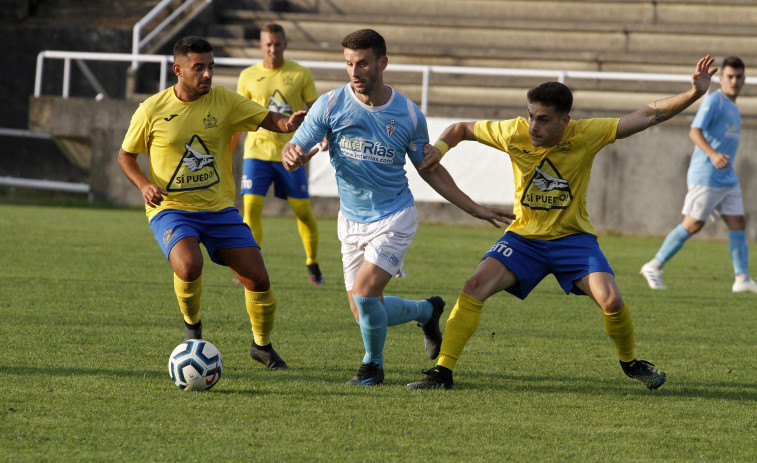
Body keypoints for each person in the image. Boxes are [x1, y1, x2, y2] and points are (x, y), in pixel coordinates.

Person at [406, 55, 718, 391]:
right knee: (473, 287)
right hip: (524, 238)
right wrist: (440, 148)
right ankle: (442, 373)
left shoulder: (587, 134)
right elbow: (461, 129)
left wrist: (693, 94)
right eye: (530, 116)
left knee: (611, 301)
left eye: (543, 119)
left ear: (564, 121)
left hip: (573, 239)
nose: (532, 126)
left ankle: (630, 363)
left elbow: (646, 115)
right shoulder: (514, 133)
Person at [282, 29, 513, 386]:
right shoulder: (329, 105)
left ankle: (372, 366)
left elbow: (430, 170)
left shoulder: (407, 114)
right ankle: (426, 310)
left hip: (394, 217)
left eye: (362, 63)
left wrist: (475, 209)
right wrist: (292, 155)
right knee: (363, 312)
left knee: (364, 295)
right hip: (351, 220)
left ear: (382, 63)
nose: (354, 72)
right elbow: (295, 148)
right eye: (348, 64)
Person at [118, 36, 306, 371]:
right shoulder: (152, 109)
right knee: (189, 266)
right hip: (171, 207)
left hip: (218, 209)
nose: (207, 74)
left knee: (259, 279)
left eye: (211, 67)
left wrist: (288, 124)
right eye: (198, 68)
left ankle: (262, 346)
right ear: (178, 70)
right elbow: (126, 155)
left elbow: (268, 119)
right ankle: (193, 328)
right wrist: (144, 184)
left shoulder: (224, 101)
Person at [640, 57, 757, 293]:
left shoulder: (733, 106)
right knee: (693, 225)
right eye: (730, 76)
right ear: (721, 78)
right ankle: (654, 264)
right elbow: (694, 132)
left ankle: (742, 278)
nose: (735, 81)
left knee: (737, 223)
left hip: (727, 177)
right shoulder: (714, 101)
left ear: (744, 79)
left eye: (739, 77)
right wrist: (713, 155)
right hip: (707, 175)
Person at [232, 23, 325, 285]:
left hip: (291, 153)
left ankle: (312, 263)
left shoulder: (300, 74)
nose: (273, 48)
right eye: (268, 44)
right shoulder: (248, 75)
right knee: (250, 209)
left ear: (285, 44)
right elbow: (239, 117)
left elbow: (315, 112)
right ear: (261, 46)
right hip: (256, 152)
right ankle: (250, 266)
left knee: (303, 212)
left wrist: (324, 136)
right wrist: (226, 153)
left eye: (277, 43)